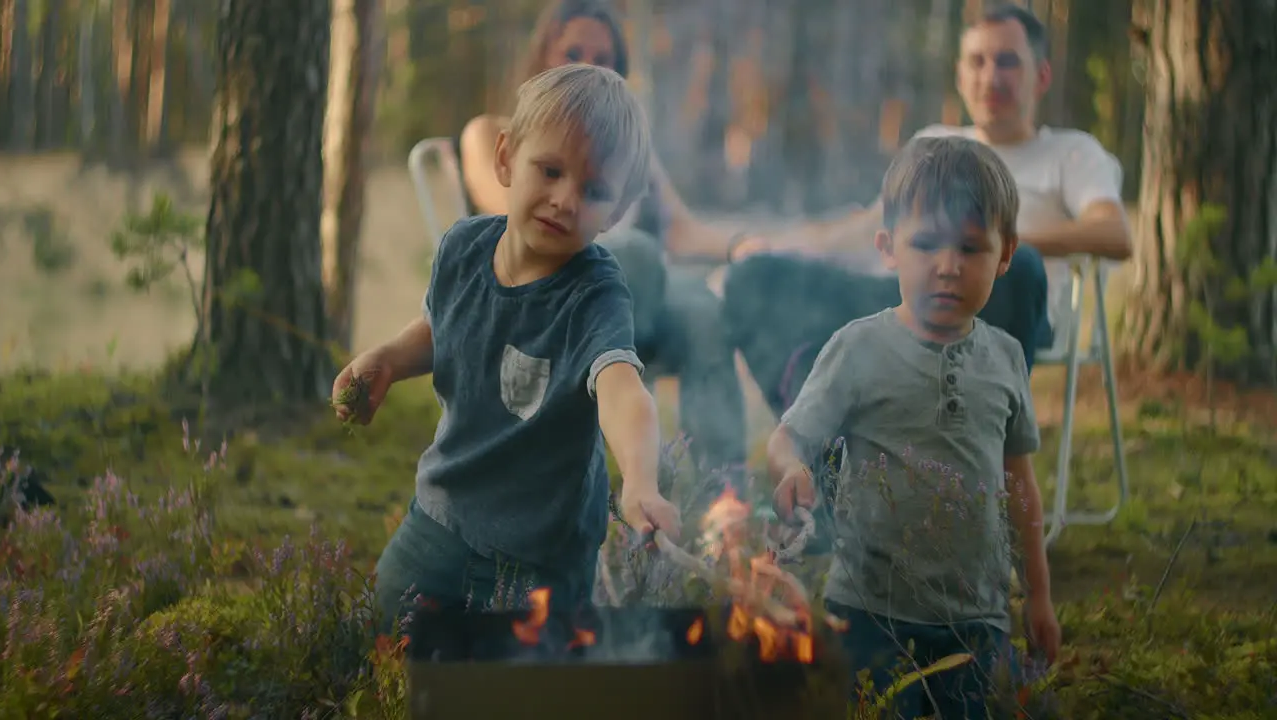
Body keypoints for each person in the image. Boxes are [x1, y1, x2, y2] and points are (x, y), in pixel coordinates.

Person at [333, 64, 682, 629]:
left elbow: (622, 387)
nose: (565, 200)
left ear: (616, 211)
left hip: (542, 556)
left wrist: (640, 479)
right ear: (505, 159)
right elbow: (443, 326)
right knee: (387, 639)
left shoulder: (594, 293)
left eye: (593, 191)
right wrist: (391, 360)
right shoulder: (463, 247)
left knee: (523, 685)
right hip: (442, 515)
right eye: (550, 170)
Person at [766, 135, 1061, 717]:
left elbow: (1020, 485)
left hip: (976, 618)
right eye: (925, 244)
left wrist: (1040, 596)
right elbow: (788, 437)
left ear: (1006, 255)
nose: (947, 266)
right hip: (871, 612)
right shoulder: (858, 348)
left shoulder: (1004, 358)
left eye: (971, 248)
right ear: (888, 247)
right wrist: (791, 467)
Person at [724, 3, 1132, 418]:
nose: (991, 77)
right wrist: (778, 246)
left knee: (1021, 265)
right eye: (978, 61)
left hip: (997, 300)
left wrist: (988, 248)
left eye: (1007, 62)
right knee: (750, 276)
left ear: (1042, 75)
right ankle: (826, 457)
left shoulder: (1070, 153)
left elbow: (1114, 233)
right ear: (960, 75)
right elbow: (868, 227)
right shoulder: (934, 143)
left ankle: (979, 457)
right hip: (897, 297)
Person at [457, 0, 751, 483]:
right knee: (633, 250)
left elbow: (680, 229)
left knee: (701, 308)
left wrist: (740, 245)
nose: (586, 67)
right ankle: (632, 448)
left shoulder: (626, 152)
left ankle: (724, 503)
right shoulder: (494, 131)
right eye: (572, 51)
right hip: (548, 296)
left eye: (603, 58)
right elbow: (511, 217)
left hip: (632, 299)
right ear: (542, 56)